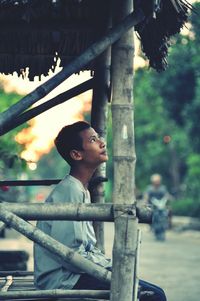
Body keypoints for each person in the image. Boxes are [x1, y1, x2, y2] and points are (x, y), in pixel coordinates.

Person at [34, 121, 167, 301]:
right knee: (154, 296)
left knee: (152, 291)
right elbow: (72, 255)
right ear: (76, 154)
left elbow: (84, 249)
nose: (102, 143)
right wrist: (111, 268)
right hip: (63, 280)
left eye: (99, 138)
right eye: (93, 140)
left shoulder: (80, 188)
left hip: (75, 275)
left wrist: (108, 265)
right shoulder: (70, 191)